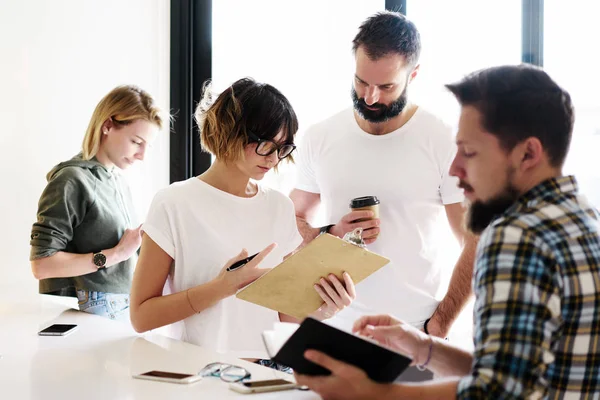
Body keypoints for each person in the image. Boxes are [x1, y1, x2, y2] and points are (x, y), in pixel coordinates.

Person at [294, 64, 600, 399]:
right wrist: (425, 348)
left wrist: (374, 395)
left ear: (528, 153)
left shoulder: (516, 237)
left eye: (469, 153)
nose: (455, 170)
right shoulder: (582, 218)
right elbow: (517, 371)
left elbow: (499, 392)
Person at [130, 78, 355, 369]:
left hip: (270, 372)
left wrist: (324, 309)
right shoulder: (174, 202)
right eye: (265, 145)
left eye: (282, 148)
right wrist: (222, 287)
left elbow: (283, 316)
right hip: (200, 372)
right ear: (230, 131)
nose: (274, 158)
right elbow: (141, 316)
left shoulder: (279, 207)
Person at [290, 11, 477, 343]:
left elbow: (475, 240)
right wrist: (326, 234)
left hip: (413, 334)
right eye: (361, 81)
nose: (370, 97)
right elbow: (294, 217)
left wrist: (441, 324)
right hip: (331, 328)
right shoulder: (320, 137)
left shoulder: (442, 140)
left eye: (386, 86)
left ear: (413, 75)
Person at [30, 85, 164, 321]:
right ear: (108, 125)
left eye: (147, 146)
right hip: (93, 309)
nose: (142, 155)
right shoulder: (71, 179)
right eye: (136, 141)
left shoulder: (117, 181)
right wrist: (115, 254)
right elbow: (43, 265)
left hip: (123, 305)